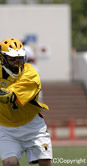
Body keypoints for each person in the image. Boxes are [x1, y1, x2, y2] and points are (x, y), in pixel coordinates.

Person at [0, 38, 52, 166]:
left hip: (32, 125)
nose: (17, 62)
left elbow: (9, 96)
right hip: (6, 127)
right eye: (13, 59)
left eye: (20, 58)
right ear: (2, 59)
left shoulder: (30, 73)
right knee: (9, 163)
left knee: (45, 162)